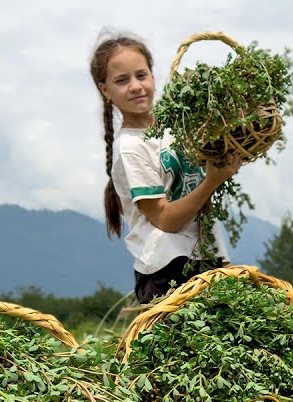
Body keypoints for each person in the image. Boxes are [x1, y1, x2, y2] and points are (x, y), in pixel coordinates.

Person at [90, 32, 241, 304]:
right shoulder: (131, 148)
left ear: (153, 76)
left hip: (206, 257)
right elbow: (165, 219)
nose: (135, 86)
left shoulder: (177, 125)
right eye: (122, 80)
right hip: (168, 271)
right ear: (105, 90)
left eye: (141, 75)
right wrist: (212, 181)